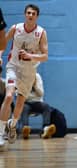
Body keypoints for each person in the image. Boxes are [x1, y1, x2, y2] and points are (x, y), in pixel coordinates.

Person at [0, 4, 48, 148]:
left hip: (29, 72)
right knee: (8, 96)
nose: (30, 15)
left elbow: (45, 56)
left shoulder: (41, 33)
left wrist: (30, 56)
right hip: (13, 67)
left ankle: (12, 125)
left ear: (37, 16)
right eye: (28, 12)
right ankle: (1, 132)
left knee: (20, 102)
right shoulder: (16, 28)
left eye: (33, 13)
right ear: (24, 14)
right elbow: (3, 43)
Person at [19, 73, 56, 139]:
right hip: (26, 103)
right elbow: (20, 96)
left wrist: (35, 85)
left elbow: (41, 93)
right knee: (24, 108)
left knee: (46, 106)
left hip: (37, 102)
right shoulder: (21, 77)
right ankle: (25, 129)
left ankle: (45, 129)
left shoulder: (37, 76)